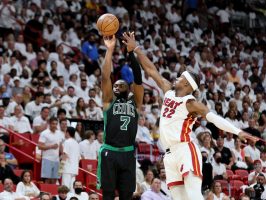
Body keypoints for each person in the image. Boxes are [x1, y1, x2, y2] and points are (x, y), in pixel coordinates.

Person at [122, 32, 257, 200]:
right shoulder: (168, 91)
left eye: (180, 77)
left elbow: (214, 118)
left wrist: (238, 132)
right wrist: (136, 48)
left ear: (186, 83)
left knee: (193, 196)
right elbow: (151, 69)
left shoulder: (191, 102)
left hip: (185, 149)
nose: (176, 78)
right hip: (169, 155)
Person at [96, 34, 144, 200]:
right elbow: (105, 76)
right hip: (110, 151)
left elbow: (138, 78)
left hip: (128, 153)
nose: (116, 86)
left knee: (126, 195)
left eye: (120, 85)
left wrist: (131, 53)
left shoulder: (135, 103)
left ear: (128, 88)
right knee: (108, 195)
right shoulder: (109, 101)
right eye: (115, 85)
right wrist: (110, 50)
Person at [38, 117, 64, 184]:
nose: (54, 125)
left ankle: (53, 193)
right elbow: (39, 146)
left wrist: (63, 154)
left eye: (56, 124)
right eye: (53, 124)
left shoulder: (59, 133)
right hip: (47, 159)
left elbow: (60, 145)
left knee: (55, 179)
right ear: (49, 124)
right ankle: (46, 193)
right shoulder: (44, 133)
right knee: (47, 179)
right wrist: (51, 146)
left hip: (56, 159)